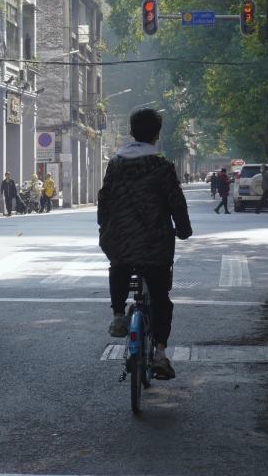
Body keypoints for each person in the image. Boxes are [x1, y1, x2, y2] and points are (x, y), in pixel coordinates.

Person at [98, 107, 193, 380]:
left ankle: (118, 316)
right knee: (161, 299)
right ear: (157, 135)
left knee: (119, 265)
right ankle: (161, 355)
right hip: (156, 245)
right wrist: (184, 230)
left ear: (130, 133)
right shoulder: (162, 166)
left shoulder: (115, 164)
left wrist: (105, 230)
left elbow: (104, 200)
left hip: (121, 241)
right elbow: (177, 203)